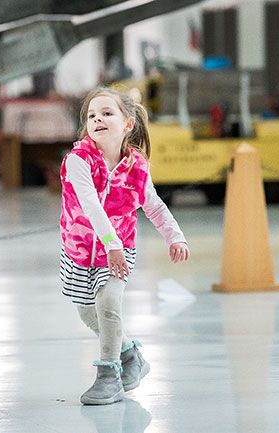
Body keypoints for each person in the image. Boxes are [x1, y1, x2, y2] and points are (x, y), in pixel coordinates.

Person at [59, 87, 190, 405]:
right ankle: (131, 354)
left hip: (118, 251)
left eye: (106, 113)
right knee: (87, 313)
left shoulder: (137, 168)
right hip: (79, 251)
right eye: (91, 115)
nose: (97, 119)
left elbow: (154, 206)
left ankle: (109, 376)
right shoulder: (78, 161)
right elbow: (90, 203)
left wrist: (175, 236)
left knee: (108, 303)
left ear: (127, 124)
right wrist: (108, 242)